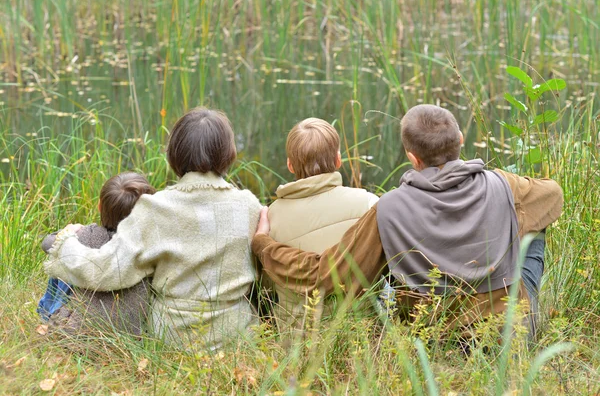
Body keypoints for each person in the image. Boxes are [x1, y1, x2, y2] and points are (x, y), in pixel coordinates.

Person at [252, 104, 563, 333]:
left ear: (413, 158)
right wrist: (500, 218)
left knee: (389, 262)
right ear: (460, 139)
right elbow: (553, 196)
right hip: (510, 328)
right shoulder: (502, 183)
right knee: (531, 227)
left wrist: (264, 245)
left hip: (438, 331)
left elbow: (326, 274)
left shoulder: (389, 210)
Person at [44, 107, 262, 350]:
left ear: (174, 154)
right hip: (235, 336)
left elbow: (108, 270)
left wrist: (64, 244)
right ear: (228, 153)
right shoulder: (250, 206)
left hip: (173, 338)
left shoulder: (154, 208)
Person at [266, 118, 379, 335]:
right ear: (338, 160)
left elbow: (268, 286)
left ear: (290, 165)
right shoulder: (368, 204)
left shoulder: (271, 216)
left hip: (296, 341)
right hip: (358, 337)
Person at [38, 172, 156, 336]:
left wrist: (71, 231)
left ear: (100, 206)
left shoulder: (90, 235)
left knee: (64, 257)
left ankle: (47, 313)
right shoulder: (153, 245)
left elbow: (47, 243)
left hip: (77, 333)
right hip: (132, 335)